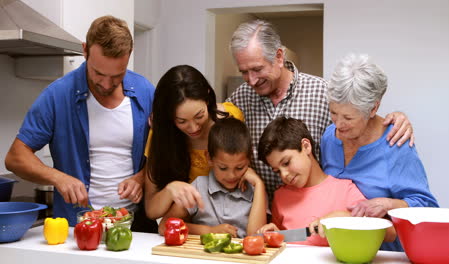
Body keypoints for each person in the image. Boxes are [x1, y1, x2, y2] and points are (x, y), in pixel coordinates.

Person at [226, 19, 415, 201]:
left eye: (257, 69)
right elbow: (213, 129)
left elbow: (362, 118)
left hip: (314, 216)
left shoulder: (323, 93)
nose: (251, 80)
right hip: (262, 216)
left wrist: (398, 118)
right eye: (243, 72)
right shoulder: (240, 98)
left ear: (279, 57)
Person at [4, 15, 155, 228]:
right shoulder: (57, 95)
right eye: (98, 73)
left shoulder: (146, 92)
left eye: (117, 76)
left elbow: (165, 150)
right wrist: (58, 178)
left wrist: (141, 177)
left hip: (136, 227)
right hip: (78, 228)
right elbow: (15, 158)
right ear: (85, 50)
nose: (106, 83)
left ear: (129, 55)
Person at [320, 53, 439, 251]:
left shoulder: (395, 144)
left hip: (387, 255)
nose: (338, 125)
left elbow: (428, 208)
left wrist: (389, 203)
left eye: (348, 118)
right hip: (342, 250)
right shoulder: (329, 137)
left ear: (373, 108)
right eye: (333, 113)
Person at [256, 116, 397, 246]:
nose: (284, 175)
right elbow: (284, 241)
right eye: (277, 171)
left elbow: (390, 233)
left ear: (306, 146)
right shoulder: (281, 197)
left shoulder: (344, 190)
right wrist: (275, 235)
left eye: (286, 163)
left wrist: (345, 218)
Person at [144, 65, 244, 220]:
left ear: (208, 96)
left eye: (199, 116)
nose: (194, 128)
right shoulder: (162, 135)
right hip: (183, 229)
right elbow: (151, 210)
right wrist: (170, 190)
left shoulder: (232, 119)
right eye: (181, 121)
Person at [158, 117, 267, 238]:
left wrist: (258, 184)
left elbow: (256, 236)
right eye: (223, 168)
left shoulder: (255, 190)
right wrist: (209, 230)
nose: (231, 175)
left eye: (240, 168)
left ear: (249, 158)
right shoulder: (199, 187)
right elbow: (164, 226)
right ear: (209, 158)